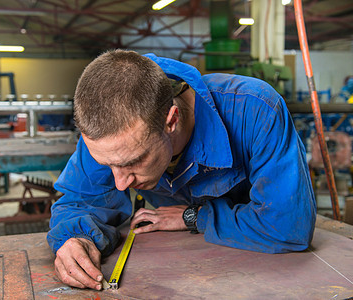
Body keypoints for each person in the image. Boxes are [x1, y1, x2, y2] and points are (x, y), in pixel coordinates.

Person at [47, 50, 316, 290]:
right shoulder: (109, 132)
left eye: (133, 162)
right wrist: (74, 238)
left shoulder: (256, 111)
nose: (120, 184)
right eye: (108, 165)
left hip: (259, 269)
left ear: (171, 120)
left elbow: (287, 226)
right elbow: (79, 201)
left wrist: (196, 217)